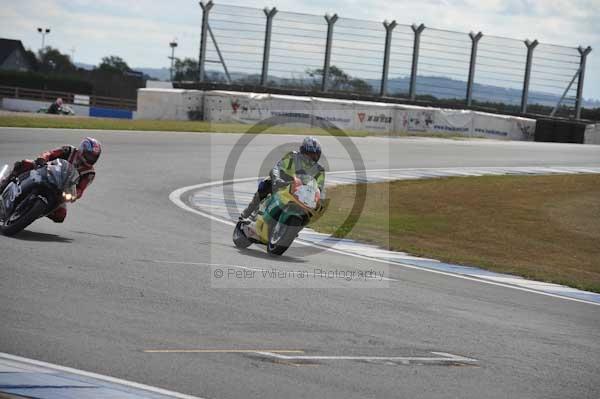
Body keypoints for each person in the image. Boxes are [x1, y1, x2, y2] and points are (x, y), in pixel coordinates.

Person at [0, 137, 102, 223]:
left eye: (93, 157)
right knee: (25, 163)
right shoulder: (69, 150)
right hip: (47, 171)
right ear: (82, 150)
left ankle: (31, 212)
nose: (90, 158)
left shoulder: (89, 173)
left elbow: (81, 189)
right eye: (89, 155)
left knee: (60, 216)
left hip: (62, 189)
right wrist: (43, 159)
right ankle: (4, 184)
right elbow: (50, 153)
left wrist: (74, 195)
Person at [239, 136, 325, 220]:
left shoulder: (319, 170)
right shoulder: (292, 157)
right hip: (284, 182)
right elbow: (277, 168)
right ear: (302, 151)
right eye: (308, 154)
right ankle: (249, 211)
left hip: (303, 191)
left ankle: (294, 226)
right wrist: (276, 179)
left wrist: (319, 199)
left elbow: (319, 188)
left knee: (311, 211)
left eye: (314, 155)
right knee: (265, 185)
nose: (311, 157)